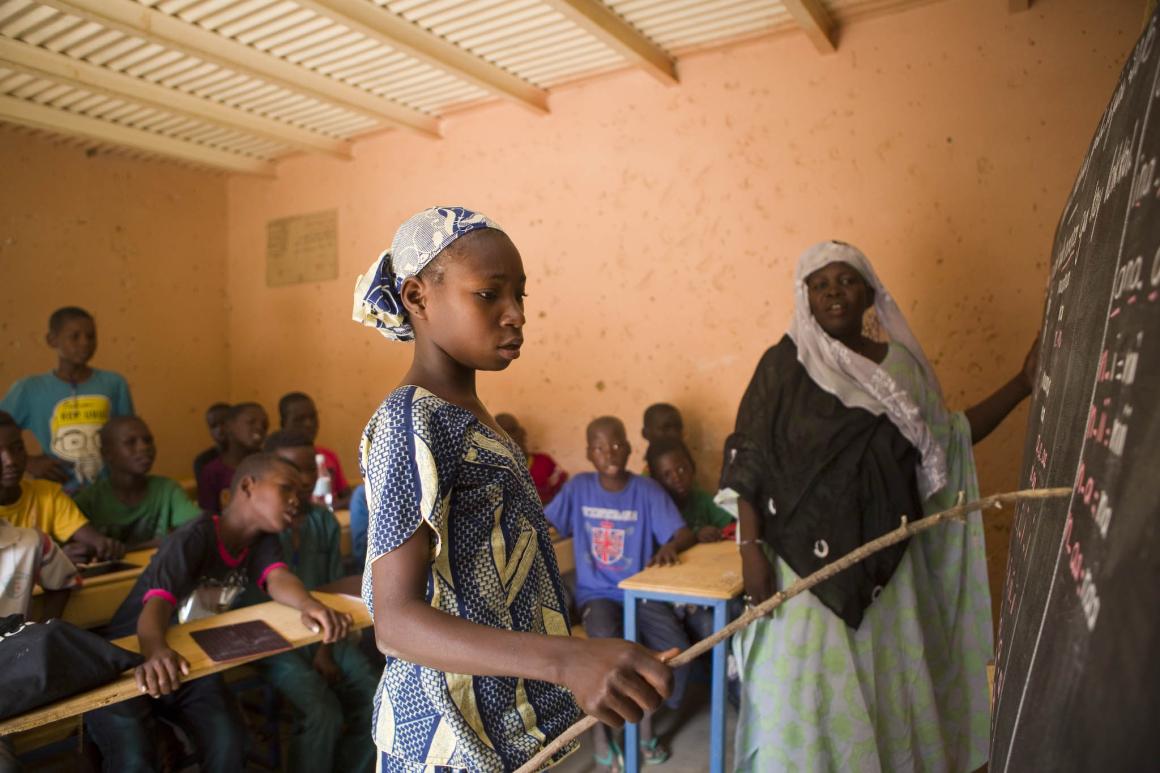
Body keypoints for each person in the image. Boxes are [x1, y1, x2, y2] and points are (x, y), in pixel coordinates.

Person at [353, 206, 674, 772]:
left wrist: (582, 659)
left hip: (499, 725)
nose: (516, 315)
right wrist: (568, 659)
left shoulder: (473, 418)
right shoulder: (411, 423)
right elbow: (396, 623)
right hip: (444, 737)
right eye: (489, 294)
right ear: (418, 297)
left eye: (520, 295)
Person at [723, 240, 1037, 772]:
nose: (834, 293)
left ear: (870, 294)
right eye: (820, 284)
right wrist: (750, 550)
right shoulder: (783, 365)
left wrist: (1022, 385)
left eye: (847, 280)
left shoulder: (901, 369)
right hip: (803, 574)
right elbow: (747, 459)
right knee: (806, 703)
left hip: (889, 573)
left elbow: (947, 440)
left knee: (890, 696)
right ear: (804, 297)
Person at [86, 453, 353, 773]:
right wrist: (155, 651)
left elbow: (278, 578)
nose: (296, 499)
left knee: (230, 742)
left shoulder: (262, 540)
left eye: (299, 492)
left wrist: (309, 605)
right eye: (286, 488)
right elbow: (155, 606)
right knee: (134, 759)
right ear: (248, 486)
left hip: (186, 661)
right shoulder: (194, 537)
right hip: (129, 660)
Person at [546, 415, 697, 769]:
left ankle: (644, 730)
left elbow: (682, 533)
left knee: (674, 647)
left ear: (629, 448)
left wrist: (670, 545)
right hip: (597, 595)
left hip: (639, 591)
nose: (610, 453)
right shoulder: (579, 488)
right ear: (589, 453)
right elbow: (545, 524)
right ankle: (603, 735)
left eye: (616, 445)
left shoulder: (647, 490)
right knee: (604, 658)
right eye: (600, 448)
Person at [235, 429, 377, 773]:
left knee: (378, 700)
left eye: (310, 468)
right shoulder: (262, 528)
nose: (302, 479)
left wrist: (325, 650)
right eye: (291, 471)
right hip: (273, 642)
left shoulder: (322, 520)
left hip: (324, 633)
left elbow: (332, 595)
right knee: (322, 712)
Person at [0, 307, 134, 492]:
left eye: (91, 336)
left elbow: (130, 438)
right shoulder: (30, 389)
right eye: (74, 337)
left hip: (107, 493)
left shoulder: (113, 383)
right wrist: (29, 462)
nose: (85, 343)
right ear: (52, 340)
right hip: (57, 494)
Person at [0, 410, 123, 563]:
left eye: (17, 448)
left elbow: (93, 540)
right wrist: (51, 560)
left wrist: (104, 546)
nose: (10, 461)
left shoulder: (47, 494)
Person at [74, 416, 203, 550]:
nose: (143, 447)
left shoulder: (167, 490)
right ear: (107, 454)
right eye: (130, 442)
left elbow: (198, 528)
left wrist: (126, 549)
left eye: (148, 440)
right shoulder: (89, 501)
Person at [645, 438, 734, 543]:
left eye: (681, 469)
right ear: (655, 481)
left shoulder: (701, 499)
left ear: (693, 467)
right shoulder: (654, 511)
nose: (677, 478)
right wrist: (696, 536)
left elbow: (733, 524)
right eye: (667, 475)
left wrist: (716, 532)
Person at [278, 392, 352, 509]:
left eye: (313, 417)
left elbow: (346, 494)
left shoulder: (328, 455)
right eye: (299, 419)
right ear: (283, 423)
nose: (309, 424)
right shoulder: (278, 458)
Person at [196, 402, 267, 512]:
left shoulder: (270, 465)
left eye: (265, 424)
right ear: (229, 426)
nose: (259, 427)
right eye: (251, 422)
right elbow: (208, 516)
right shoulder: (212, 472)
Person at [496, 412, 568, 504]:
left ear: (522, 434)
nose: (510, 438)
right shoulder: (489, 470)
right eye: (502, 433)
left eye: (512, 431)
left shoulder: (544, 462)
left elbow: (563, 497)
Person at [640, 403, 683, 477]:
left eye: (678, 427)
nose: (675, 434)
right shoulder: (647, 481)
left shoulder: (684, 470)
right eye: (666, 428)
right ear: (646, 434)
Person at [192, 402, 230, 481]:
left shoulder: (250, 457)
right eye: (213, 426)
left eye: (224, 423)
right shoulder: (204, 461)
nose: (219, 430)